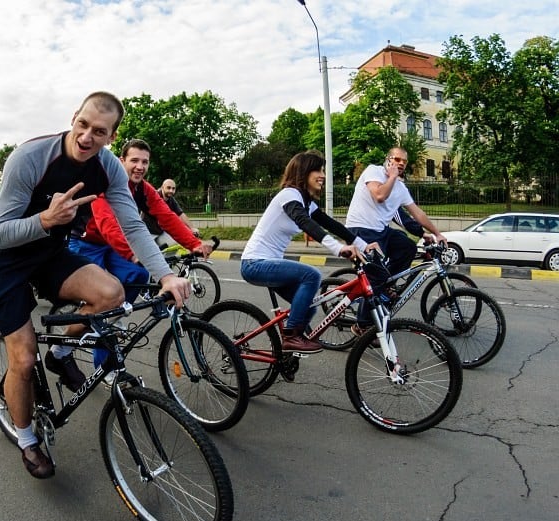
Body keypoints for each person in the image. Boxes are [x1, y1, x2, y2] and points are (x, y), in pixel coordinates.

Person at [0, 91, 191, 479]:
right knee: (23, 358)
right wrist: (45, 219)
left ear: (112, 137)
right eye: (83, 125)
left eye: (100, 131)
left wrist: (166, 275)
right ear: (74, 118)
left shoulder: (108, 167)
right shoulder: (29, 158)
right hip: (4, 263)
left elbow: (133, 226)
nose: (88, 136)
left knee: (112, 294)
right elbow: (2, 233)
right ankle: (26, 439)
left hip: (50, 256)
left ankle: (59, 354)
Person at [71, 138, 213, 384]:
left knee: (136, 276)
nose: (140, 166)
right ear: (121, 161)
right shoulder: (106, 183)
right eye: (134, 160)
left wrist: (194, 244)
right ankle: (79, 348)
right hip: (86, 243)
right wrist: (134, 253)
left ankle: (112, 317)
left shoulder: (144, 190)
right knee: (104, 294)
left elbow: (167, 217)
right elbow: (108, 225)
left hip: (111, 245)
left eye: (144, 162)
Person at [241, 151, 372, 353]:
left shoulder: (307, 203)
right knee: (311, 275)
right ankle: (291, 336)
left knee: (309, 305)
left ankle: (288, 351)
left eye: (323, 170)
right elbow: (305, 223)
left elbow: (332, 225)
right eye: (318, 170)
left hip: (270, 264)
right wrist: (338, 248)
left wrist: (364, 245)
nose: (323, 175)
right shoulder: (289, 195)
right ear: (303, 172)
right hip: (254, 263)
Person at [345, 147, 446, 332]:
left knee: (407, 247)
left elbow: (416, 213)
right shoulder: (373, 171)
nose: (400, 163)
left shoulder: (400, 188)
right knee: (377, 276)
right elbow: (379, 196)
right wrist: (391, 177)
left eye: (404, 161)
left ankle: (385, 285)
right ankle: (362, 325)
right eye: (397, 159)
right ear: (388, 159)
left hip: (381, 231)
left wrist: (435, 233)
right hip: (361, 230)